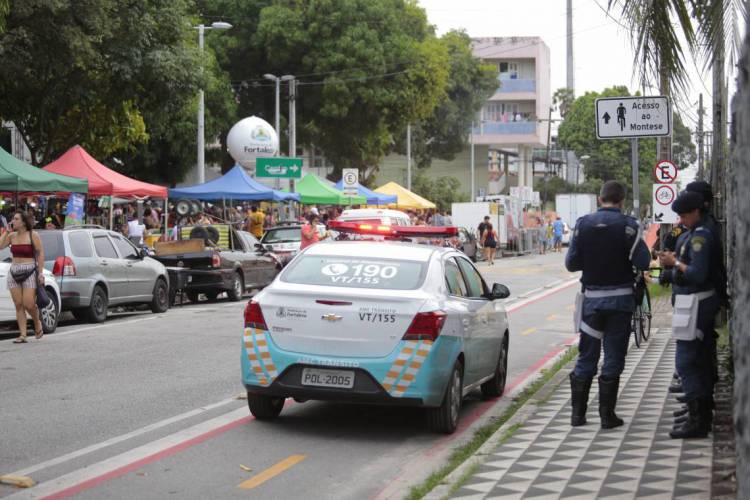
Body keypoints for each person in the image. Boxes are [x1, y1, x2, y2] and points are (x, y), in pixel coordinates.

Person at [565, 181, 650, 429]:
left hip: (591, 302)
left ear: (600, 199)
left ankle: (577, 415)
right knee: (613, 355)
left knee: (587, 354)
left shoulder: (582, 224)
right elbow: (643, 262)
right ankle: (606, 416)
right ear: (622, 200)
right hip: (621, 302)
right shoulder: (630, 226)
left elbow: (571, 264)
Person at [658, 191, 723, 439]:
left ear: (696, 211)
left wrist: (674, 264)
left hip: (699, 301)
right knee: (698, 358)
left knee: (687, 360)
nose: (682, 220)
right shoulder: (695, 233)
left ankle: (698, 419)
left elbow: (696, 273)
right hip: (693, 300)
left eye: (684, 215)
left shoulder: (702, 236)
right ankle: (699, 412)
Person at [0, 212, 45, 343]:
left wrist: (40, 272)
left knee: (29, 304)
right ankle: (23, 334)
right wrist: (6, 232)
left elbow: (40, 253)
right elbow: (0, 246)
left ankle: (37, 322)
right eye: (13, 219)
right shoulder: (12, 236)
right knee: (18, 304)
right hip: (14, 271)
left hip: (29, 269)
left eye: (16, 219)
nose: (13, 221)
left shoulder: (33, 235)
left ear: (24, 222)